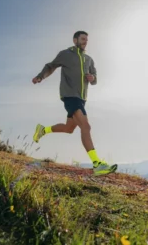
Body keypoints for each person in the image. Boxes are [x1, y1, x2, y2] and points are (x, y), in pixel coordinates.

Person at [31, 31, 117, 176]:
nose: (85, 42)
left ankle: (42, 130)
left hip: (82, 98)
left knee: (69, 128)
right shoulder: (66, 54)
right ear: (75, 40)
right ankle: (97, 164)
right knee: (86, 126)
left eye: (86, 40)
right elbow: (51, 66)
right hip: (70, 95)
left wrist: (92, 77)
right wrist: (40, 77)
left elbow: (95, 80)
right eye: (83, 39)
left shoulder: (89, 59)